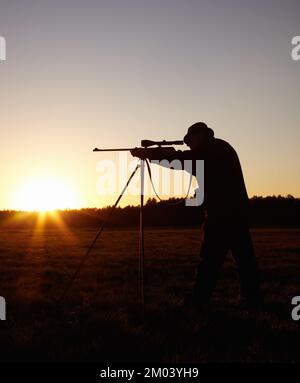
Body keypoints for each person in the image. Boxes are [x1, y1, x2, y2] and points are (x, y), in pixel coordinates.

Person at [131, 122, 263, 310]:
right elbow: (187, 160)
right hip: (235, 212)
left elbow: (182, 160)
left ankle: (199, 301)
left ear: (200, 135)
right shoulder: (219, 147)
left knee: (210, 260)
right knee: (244, 259)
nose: (189, 144)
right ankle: (252, 299)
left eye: (190, 140)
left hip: (222, 214)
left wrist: (151, 155)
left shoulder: (211, 150)